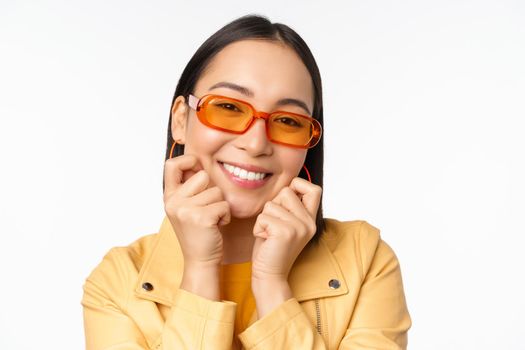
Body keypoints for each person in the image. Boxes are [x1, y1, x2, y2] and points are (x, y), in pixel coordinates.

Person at [81, 14, 411, 350]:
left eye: (287, 121)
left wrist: (272, 286)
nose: (255, 144)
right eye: (227, 107)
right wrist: (199, 269)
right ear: (181, 119)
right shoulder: (117, 283)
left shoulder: (364, 259)